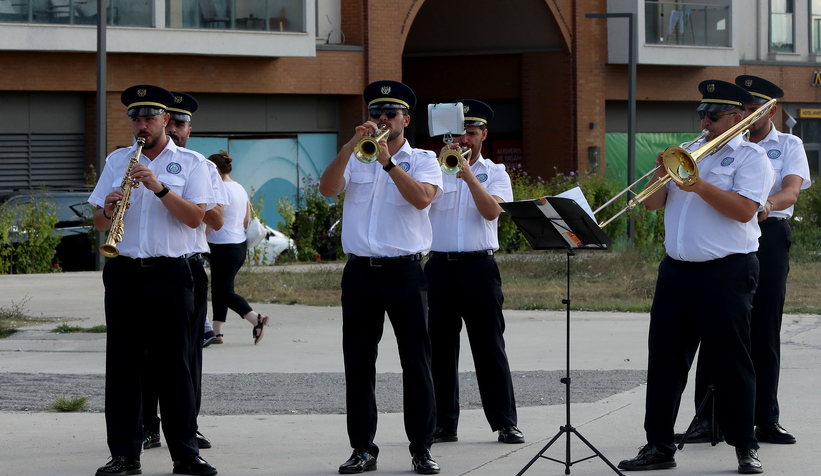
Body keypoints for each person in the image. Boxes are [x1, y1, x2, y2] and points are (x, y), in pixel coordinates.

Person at [617, 80, 774, 475]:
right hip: (676, 270)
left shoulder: (751, 158)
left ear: (738, 118)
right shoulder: (686, 151)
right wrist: (661, 174)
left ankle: (745, 446)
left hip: (728, 270)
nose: (704, 122)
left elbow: (743, 211)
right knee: (665, 360)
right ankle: (659, 445)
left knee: (731, 360)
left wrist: (696, 183)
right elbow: (653, 204)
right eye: (701, 114)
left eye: (713, 115)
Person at [89, 84, 218, 476]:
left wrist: (159, 187)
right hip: (125, 271)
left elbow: (197, 218)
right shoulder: (117, 160)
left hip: (171, 272)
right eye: (135, 119)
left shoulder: (193, 163)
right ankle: (125, 455)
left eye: (149, 118)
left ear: (166, 120)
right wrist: (109, 209)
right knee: (123, 366)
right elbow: (97, 222)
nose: (141, 126)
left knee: (174, 366)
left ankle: (185, 455)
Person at [318, 80, 443, 474]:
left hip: (405, 271)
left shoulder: (422, 158)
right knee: (358, 364)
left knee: (417, 363)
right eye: (375, 113)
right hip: (359, 272)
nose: (382, 120)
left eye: (390, 114)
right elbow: (327, 189)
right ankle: (363, 449)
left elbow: (422, 198)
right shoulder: (357, 155)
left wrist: (388, 162)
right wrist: (347, 148)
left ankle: (421, 447)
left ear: (406, 118)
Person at [680, 76, 812, 447]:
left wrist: (769, 204)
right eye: (742, 109)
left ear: (769, 110)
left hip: (767, 235)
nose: (745, 116)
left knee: (763, 327)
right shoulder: (714, 145)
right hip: (722, 235)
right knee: (714, 326)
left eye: (753, 110)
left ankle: (765, 419)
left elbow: (791, 190)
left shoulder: (787, 143)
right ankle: (707, 420)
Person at [426, 100, 522, 445]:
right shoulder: (434, 168)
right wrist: (443, 167)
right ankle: (443, 423)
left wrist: (467, 175)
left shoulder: (495, 172)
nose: (464, 140)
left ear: (483, 134)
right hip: (439, 265)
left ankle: (505, 422)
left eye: (471, 133)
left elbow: (491, 211)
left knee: (489, 347)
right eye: (459, 133)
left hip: (479, 266)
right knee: (440, 349)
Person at [142, 91, 225, 452]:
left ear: (189, 129)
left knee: (187, 355)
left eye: (180, 124)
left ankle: (188, 425)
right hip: (145, 266)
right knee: (144, 353)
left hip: (186, 265)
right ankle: (147, 426)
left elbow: (217, 220)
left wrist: (183, 197)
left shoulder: (200, 166)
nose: (174, 129)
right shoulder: (134, 160)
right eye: (169, 122)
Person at [206, 150, 269, 345]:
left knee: (223, 292)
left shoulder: (218, 190)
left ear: (215, 169)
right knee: (221, 289)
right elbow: (246, 220)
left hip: (221, 247)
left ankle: (255, 318)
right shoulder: (240, 189)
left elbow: (213, 220)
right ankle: (217, 333)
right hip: (239, 247)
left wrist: (199, 235)